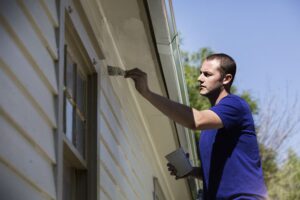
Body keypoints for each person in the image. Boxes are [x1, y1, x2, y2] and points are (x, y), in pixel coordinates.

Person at [125, 53, 268, 199]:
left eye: (207, 74)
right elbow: (216, 173)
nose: (200, 78)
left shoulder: (235, 105)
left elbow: (196, 120)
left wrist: (147, 93)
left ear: (226, 79)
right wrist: (191, 171)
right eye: (200, 73)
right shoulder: (208, 130)